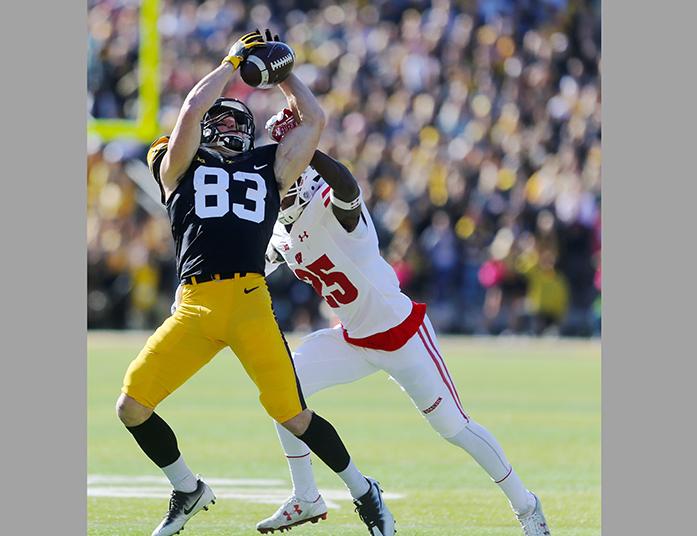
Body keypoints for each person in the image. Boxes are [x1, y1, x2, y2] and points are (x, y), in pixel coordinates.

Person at [116, 31, 395, 536]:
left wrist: (284, 75)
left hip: (248, 301)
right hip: (195, 306)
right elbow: (188, 112)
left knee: (294, 415)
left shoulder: (269, 166)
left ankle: (362, 490)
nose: (226, 126)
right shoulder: (179, 164)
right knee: (132, 405)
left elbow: (314, 121)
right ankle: (187, 488)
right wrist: (231, 63)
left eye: (234, 120)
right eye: (218, 120)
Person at [256, 109, 552, 535]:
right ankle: (306, 496)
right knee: (283, 390)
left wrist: (309, 151)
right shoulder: (282, 232)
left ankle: (527, 507)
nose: (278, 184)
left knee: (455, 428)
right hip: (355, 339)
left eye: (286, 172)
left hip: (401, 335)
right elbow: (250, 266)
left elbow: (347, 186)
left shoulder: (331, 203)